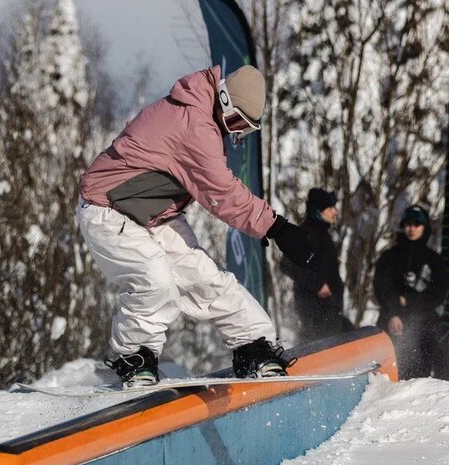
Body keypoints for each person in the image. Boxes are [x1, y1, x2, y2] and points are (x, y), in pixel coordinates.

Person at [77, 65, 315, 386]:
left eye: (245, 130)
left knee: (206, 278)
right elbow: (222, 193)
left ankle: (253, 346)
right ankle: (135, 357)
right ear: (224, 101)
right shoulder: (194, 124)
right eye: (236, 123)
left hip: (154, 214)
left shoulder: (202, 115)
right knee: (155, 278)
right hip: (108, 210)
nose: (235, 134)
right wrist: (278, 228)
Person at [373, 205, 448, 379]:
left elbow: (438, 293)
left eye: (417, 224)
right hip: (391, 318)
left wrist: (409, 301)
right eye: (408, 224)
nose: (412, 229)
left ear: (425, 227)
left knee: (419, 374)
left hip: (423, 323)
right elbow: (382, 286)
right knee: (387, 371)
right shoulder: (390, 256)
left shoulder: (434, 260)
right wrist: (393, 313)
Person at [283, 188, 353, 344]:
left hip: (330, 311)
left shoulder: (322, 233)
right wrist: (318, 284)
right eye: (330, 208)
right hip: (316, 314)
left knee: (355, 338)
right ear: (318, 211)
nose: (335, 212)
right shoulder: (308, 233)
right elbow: (287, 263)